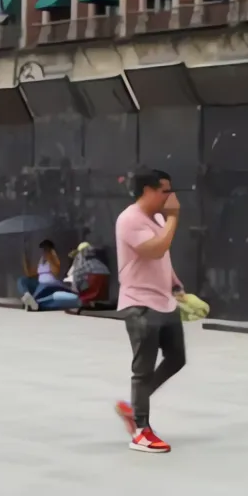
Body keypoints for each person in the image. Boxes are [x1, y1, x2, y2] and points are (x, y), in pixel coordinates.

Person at [113, 168, 186, 454]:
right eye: (164, 190)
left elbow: (162, 257)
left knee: (177, 358)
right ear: (147, 190)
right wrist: (173, 218)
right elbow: (154, 249)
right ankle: (141, 430)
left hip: (163, 300)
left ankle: (132, 408)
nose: (170, 196)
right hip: (139, 303)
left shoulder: (156, 218)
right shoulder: (129, 219)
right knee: (142, 369)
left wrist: (175, 283)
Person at [19, 239, 80, 311]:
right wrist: (25, 261)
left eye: (45, 249)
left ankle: (34, 302)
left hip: (50, 285)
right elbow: (29, 274)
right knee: (22, 280)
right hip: (40, 285)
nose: (43, 252)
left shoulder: (54, 259)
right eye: (43, 250)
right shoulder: (41, 261)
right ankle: (27, 295)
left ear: (50, 250)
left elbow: (56, 272)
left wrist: (49, 257)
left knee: (44, 290)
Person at [67, 241, 111, 308]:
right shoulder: (96, 257)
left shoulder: (80, 257)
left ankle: (86, 302)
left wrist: (75, 289)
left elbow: (78, 272)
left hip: (92, 277)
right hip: (105, 275)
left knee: (84, 289)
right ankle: (96, 301)